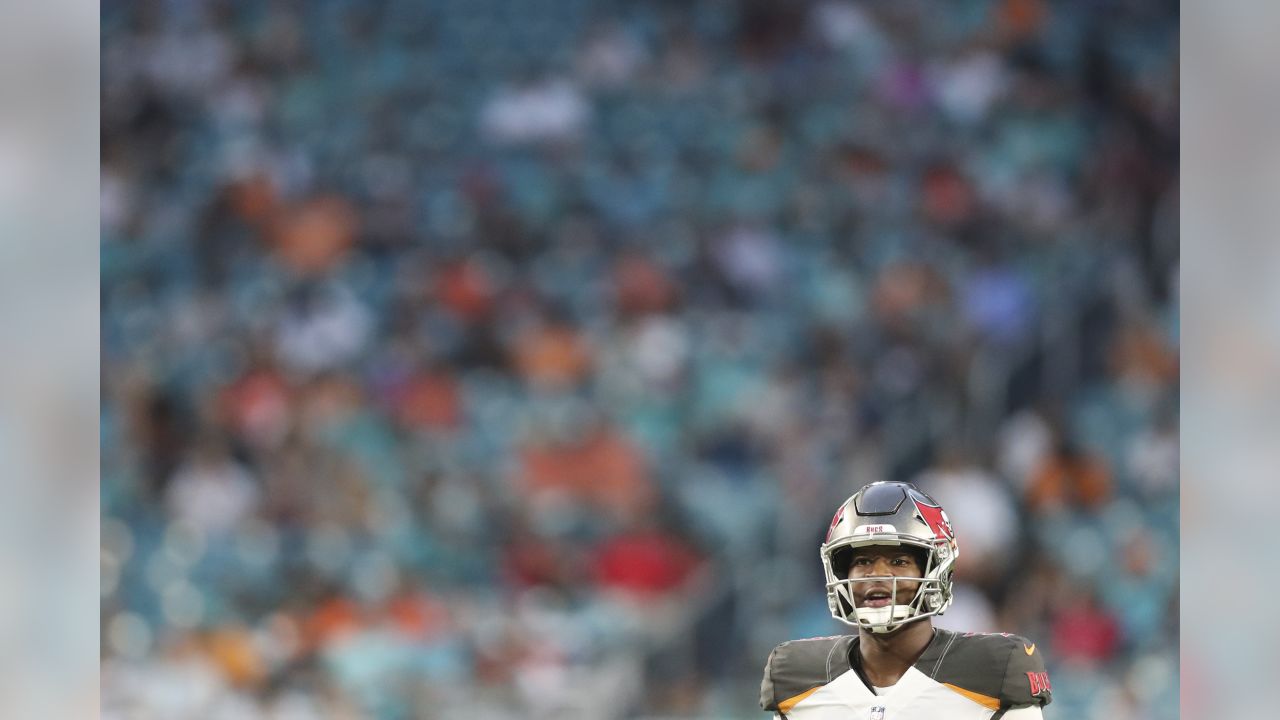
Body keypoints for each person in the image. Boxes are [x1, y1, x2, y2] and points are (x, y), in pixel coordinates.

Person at [760, 481, 1052, 719]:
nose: (878, 575)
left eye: (898, 561)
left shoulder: (993, 673)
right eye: (863, 561)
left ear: (936, 571)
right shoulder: (798, 681)